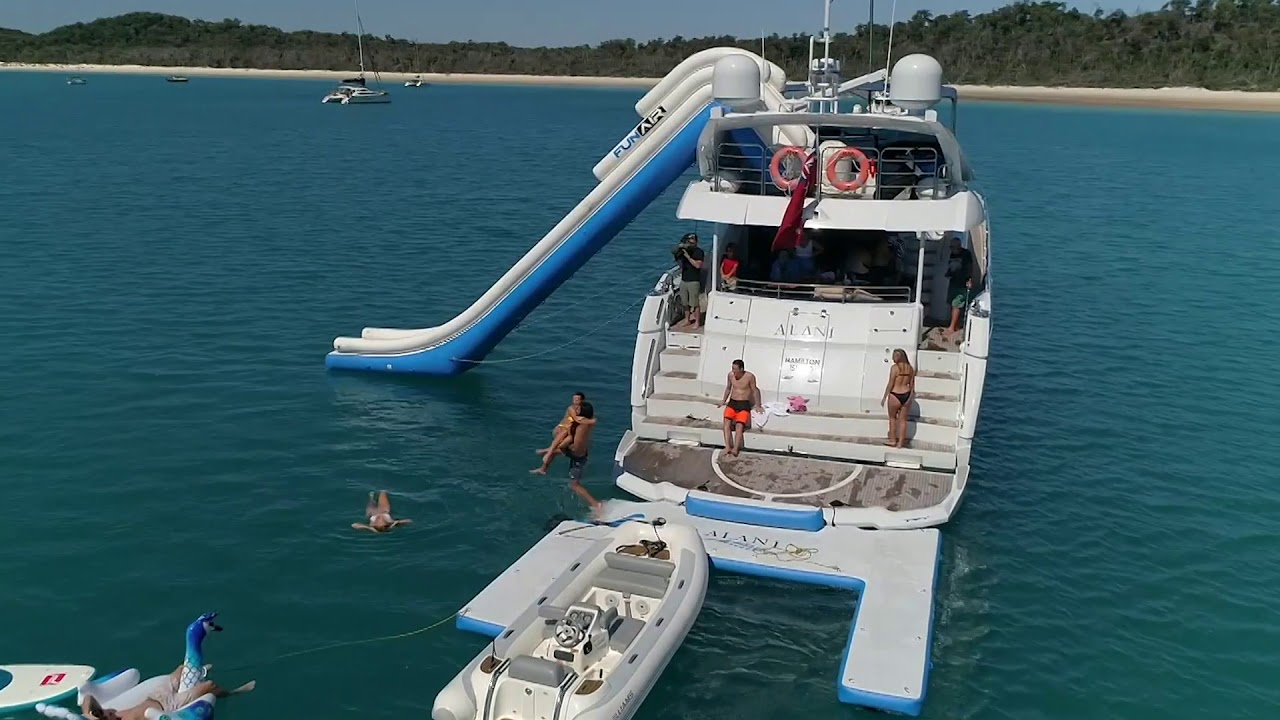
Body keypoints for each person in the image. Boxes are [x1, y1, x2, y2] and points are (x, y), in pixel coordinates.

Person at [80, 668, 254, 720]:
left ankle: (198, 671)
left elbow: (88, 698)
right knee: (210, 686)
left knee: (182, 668)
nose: (110, 712)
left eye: (105, 712)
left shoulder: (110, 714)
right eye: (107, 715)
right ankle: (232, 693)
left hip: (155, 695)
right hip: (170, 705)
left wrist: (88, 713)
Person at [546, 401, 602, 514]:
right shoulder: (585, 423)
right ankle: (544, 464)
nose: (575, 410)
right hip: (576, 453)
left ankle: (596, 505)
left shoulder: (582, 424)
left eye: (578, 409)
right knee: (556, 450)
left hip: (578, 457)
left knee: (575, 485)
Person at [531, 392, 585, 474]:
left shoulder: (582, 411)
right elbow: (568, 420)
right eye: (574, 399)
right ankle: (546, 457)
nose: (574, 401)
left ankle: (544, 464)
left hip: (566, 433)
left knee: (559, 450)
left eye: (577, 399)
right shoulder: (571, 408)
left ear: (582, 400)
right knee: (561, 450)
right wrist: (560, 426)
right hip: (563, 431)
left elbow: (573, 422)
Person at [719, 359, 762, 457]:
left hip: (743, 404)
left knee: (739, 426)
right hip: (732, 402)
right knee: (726, 424)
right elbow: (728, 388)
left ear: (741, 369)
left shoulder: (749, 377)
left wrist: (758, 405)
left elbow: (755, 390)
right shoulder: (730, 375)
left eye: (735, 369)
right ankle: (727, 447)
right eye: (732, 368)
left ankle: (735, 449)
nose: (733, 371)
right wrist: (723, 400)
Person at [881, 348, 916, 448]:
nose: (892, 358)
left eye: (894, 356)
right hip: (907, 394)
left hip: (895, 394)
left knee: (892, 418)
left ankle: (892, 440)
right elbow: (912, 385)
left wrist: (884, 397)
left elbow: (891, 383)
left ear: (899, 357)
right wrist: (910, 397)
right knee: (903, 420)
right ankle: (900, 443)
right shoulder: (910, 368)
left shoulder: (895, 368)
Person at [944, 237, 974, 338]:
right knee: (951, 303)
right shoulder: (953, 254)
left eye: (952, 247)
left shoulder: (966, 255)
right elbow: (952, 266)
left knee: (956, 305)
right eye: (951, 247)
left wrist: (969, 279)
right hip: (953, 281)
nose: (951, 249)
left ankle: (951, 328)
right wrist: (948, 273)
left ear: (958, 246)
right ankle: (954, 325)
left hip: (961, 284)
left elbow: (969, 268)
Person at [673, 233, 704, 328]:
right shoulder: (685, 251)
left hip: (694, 281)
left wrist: (688, 257)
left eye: (692, 241)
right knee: (685, 303)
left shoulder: (699, 252)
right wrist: (679, 254)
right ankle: (687, 320)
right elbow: (680, 264)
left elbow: (698, 265)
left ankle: (697, 322)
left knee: (695, 303)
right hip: (684, 280)